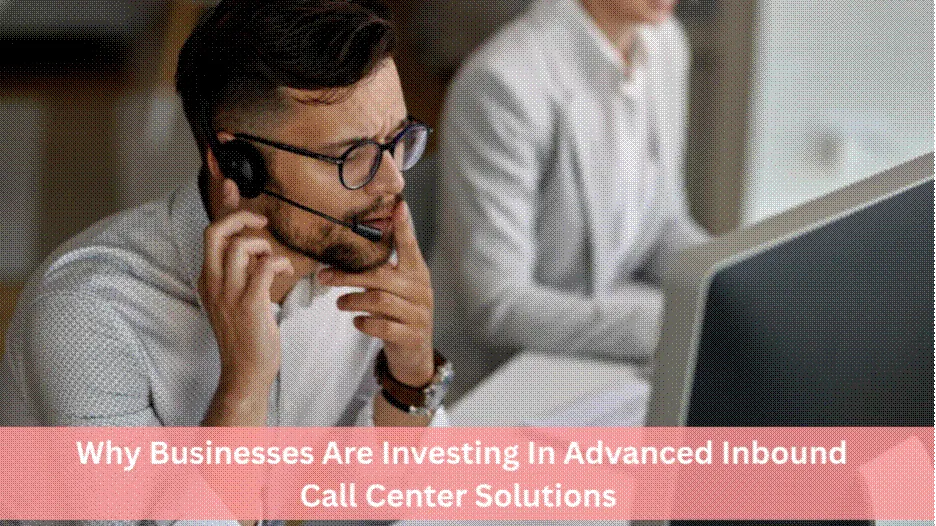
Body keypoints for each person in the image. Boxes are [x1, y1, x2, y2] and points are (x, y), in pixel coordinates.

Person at [2, 0, 449, 476]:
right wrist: (244, 384)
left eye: (398, 141)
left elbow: (372, 493)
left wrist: (409, 378)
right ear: (238, 164)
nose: (393, 184)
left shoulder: (357, 236)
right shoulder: (86, 317)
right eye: (350, 156)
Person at [431, 0, 710, 398]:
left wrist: (733, 285)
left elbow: (662, 226)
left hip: (596, 352)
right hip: (498, 379)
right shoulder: (502, 81)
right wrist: (678, 326)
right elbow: (497, 306)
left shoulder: (665, 43)